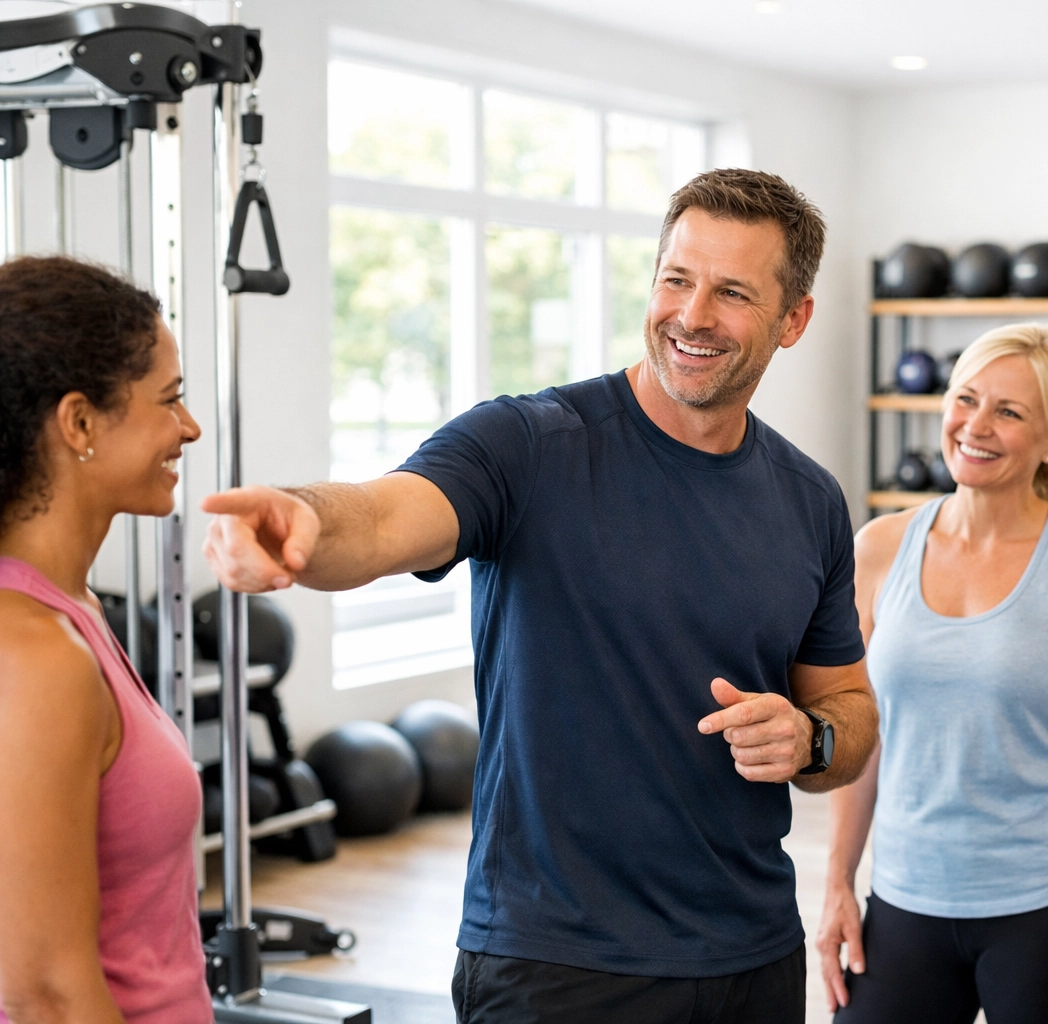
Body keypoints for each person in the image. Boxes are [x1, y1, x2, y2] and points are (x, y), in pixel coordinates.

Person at [201, 168, 879, 1023]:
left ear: (794, 320)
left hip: (752, 957)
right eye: (677, 278)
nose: (693, 314)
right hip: (556, 962)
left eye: (732, 292)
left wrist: (809, 737)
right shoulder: (527, 445)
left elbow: (850, 711)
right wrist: (302, 516)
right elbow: (382, 516)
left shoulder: (808, 499)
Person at [815, 324, 1048, 1023]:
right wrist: (839, 880)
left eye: (1009, 412)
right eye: (966, 399)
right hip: (906, 896)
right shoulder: (879, 549)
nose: (976, 426)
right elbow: (860, 734)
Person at [0, 257, 207, 1024]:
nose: (187, 428)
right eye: (170, 400)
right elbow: (45, 996)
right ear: (80, 422)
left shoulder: (70, 610)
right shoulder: (29, 653)